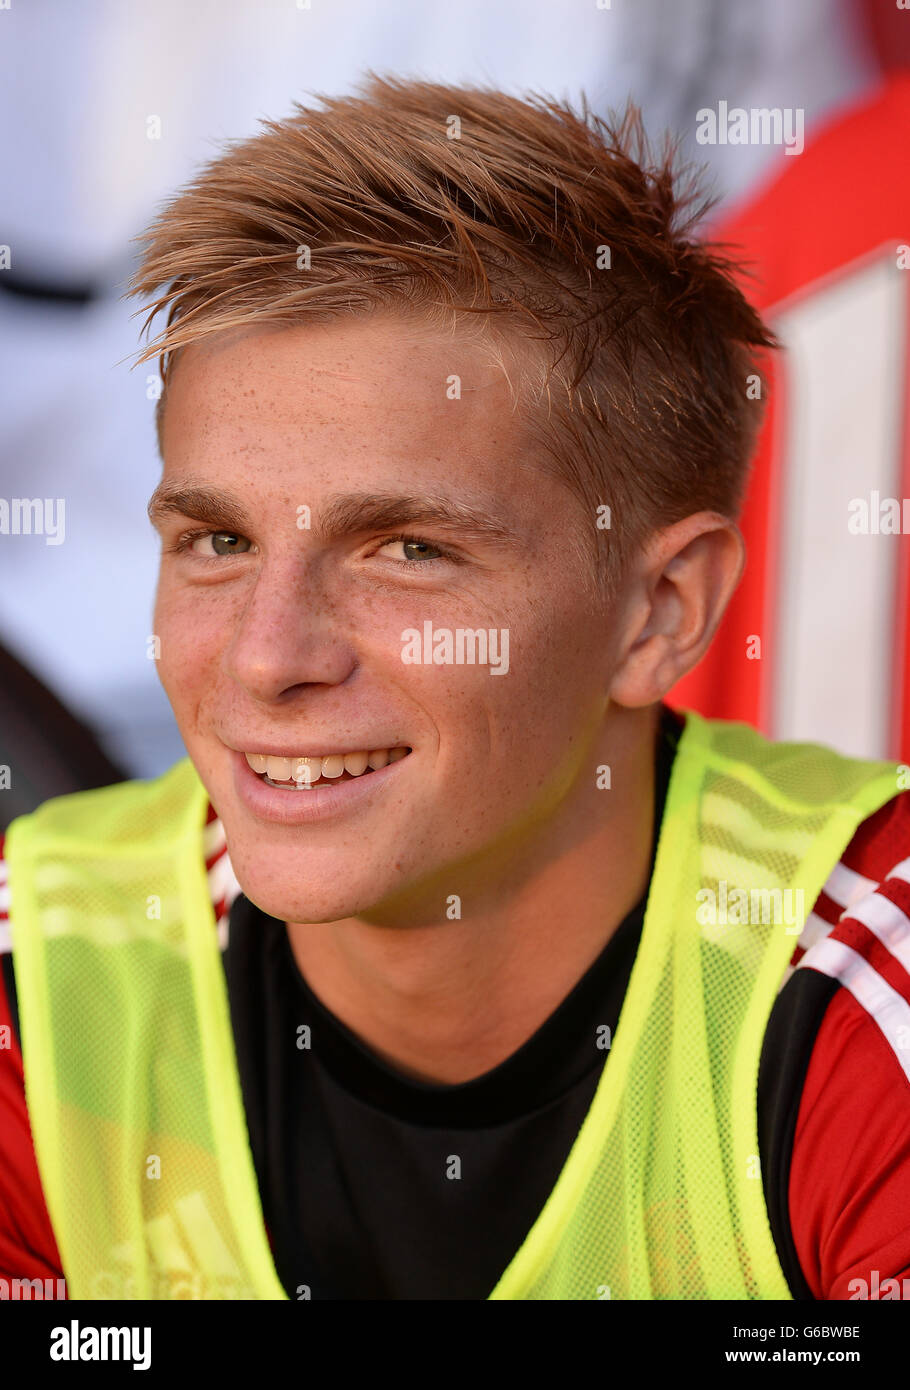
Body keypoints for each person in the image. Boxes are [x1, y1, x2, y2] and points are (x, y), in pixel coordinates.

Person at [2, 73, 909, 1303]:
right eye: (217, 542)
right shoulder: (38, 966)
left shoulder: (865, 991)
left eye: (408, 551)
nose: (269, 658)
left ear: (661, 611)